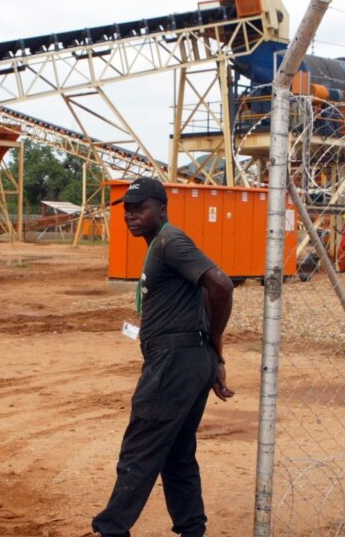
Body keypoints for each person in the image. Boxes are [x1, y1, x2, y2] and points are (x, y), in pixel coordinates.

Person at [92, 177, 234, 537]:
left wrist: (214, 343)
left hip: (174, 362)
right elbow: (200, 293)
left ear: (162, 209)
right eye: (128, 209)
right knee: (177, 454)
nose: (132, 215)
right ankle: (192, 530)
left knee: (139, 450)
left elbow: (219, 284)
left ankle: (111, 530)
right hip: (186, 358)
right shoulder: (160, 245)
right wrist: (211, 358)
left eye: (141, 208)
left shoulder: (170, 241)